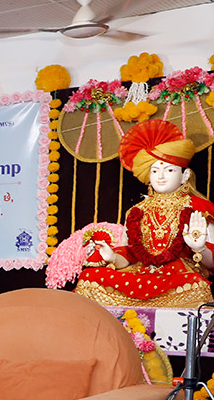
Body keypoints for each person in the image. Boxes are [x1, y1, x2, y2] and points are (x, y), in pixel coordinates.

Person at [74, 119, 214, 308]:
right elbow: (128, 257)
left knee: (196, 285)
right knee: (89, 277)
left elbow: (211, 265)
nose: (161, 176)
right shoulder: (137, 211)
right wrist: (111, 257)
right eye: (155, 171)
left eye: (169, 170)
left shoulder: (199, 208)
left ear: (185, 176)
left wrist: (199, 247)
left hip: (178, 278)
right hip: (139, 275)